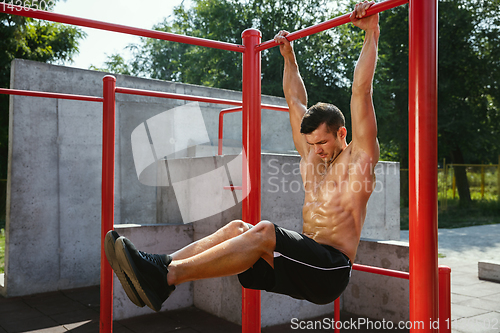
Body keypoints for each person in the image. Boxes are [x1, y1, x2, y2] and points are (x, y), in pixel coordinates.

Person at [104, 0, 380, 312]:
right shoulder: (313, 159)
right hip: (303, 262)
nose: (316, 149)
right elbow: (295, 101)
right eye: (311, 143)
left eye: (323, 142)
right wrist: (289, 58)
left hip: (331, 269)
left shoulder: (359, 161)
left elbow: (362, 91)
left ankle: (166, 277)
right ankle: (160, 265)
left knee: (263, 230)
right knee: (238, 228)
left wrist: (371, 32)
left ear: (342, 133)